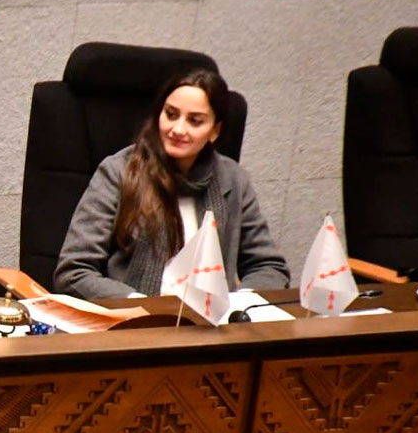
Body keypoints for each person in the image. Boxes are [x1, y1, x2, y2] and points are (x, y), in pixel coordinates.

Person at [54, 68, 289, 299]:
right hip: (133, 323)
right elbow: (74, 272)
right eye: (171, 114)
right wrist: (142, 307)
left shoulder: (233, 179)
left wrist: (238, 305)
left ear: (214, 131)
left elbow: (269, 267)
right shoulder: (117, 172)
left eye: (195, 121)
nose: (178, 129)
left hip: (213, 328)